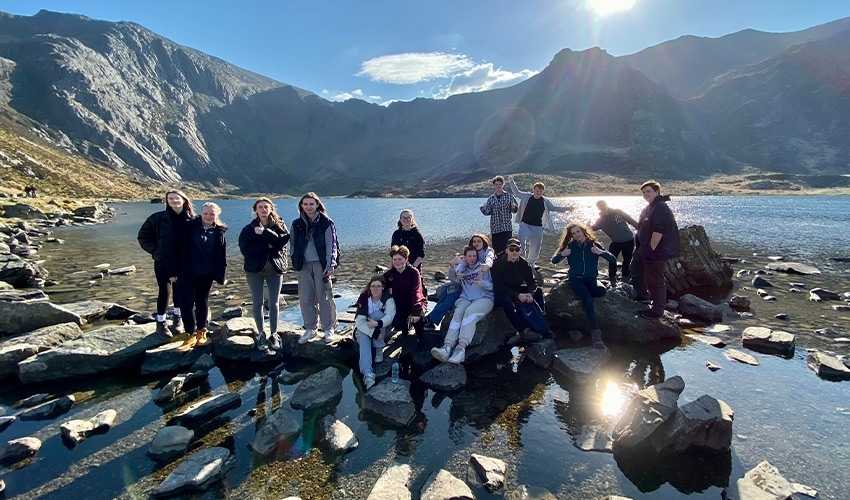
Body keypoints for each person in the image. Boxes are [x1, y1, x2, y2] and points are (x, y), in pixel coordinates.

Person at [137, 189, 194, 337]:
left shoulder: (192, 219)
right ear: (167, 201)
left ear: (184, 200)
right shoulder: (157, 218)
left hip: (183, 263)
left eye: (177, 198)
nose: (174, 201)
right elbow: (143, 236)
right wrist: (156, 251)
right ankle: (161, 323)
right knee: (165, 291)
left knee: (179, 291)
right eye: (171, 199)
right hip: (163, 262)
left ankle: (177, 318)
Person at [172, 202, 227, 352]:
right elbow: (175, 249)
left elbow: (221, 257)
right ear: (201, 214)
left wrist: (221, 276)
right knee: (186, 303)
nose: (208, 216)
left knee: (202, 301)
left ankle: (202, 331)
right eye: (206, 214)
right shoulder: (188, 227)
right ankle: (190, 334)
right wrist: (172, 272)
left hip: (206, 273)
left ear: (217, 215)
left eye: (212, 214)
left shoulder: (219, 232)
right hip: (186, 272)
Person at [552, 222, 616, 348]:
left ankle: (584, 295)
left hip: (591, 279)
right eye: (573, 233)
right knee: (587, 299)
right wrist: (562, 254)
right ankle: (596, 335)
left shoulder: (594, 245)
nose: (576, 235)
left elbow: (613, 259)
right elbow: (554, 260)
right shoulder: (570, 247)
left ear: (583, 231)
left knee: (602, 291)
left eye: (578, 232)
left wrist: (600, 252)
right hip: (576, 279)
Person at [239, 197, 290, 354]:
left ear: (271, 209)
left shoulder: (279, 225)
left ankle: (274, 333)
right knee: (257, 303)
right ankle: (261, 333)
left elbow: (284, 240)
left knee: (274, 303)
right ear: (255, 210)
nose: (263, 209)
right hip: (255, 271)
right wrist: (268, 246)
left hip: (275, 269)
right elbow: (246, 250)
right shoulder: (248, 229)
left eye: (266, 207)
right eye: (260, 207)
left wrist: (266, 233)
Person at [431, 246, 494, 364]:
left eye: (474, 256)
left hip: (484, 298)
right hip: (466, 298)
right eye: (469, 256)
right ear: (465, 257)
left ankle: (461, 349)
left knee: (469, 312)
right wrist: (452, 265)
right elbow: (453, 279)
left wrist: (483, 284)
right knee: (458, 313)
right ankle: (447, 347)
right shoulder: (462, 269)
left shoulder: (483, 268)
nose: (472, 258)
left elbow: (491, 286)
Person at [292, 192, 339, 344]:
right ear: (301, 206)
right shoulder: (297, 224)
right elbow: (292, 244)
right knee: (306, 298)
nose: (308, 207)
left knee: (326, 296)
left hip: (322, 265)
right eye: (305, 204)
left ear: (317, 205)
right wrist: (294, 259)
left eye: (311, 204)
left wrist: (330, 264)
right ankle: (310, 327)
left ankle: (328, 328)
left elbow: (331, 245)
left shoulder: (326, 222)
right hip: (304, 265)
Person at [421, 233, 494, 330]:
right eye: (474, 241)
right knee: (448, 290)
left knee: (453, 294)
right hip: (466, 283)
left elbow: (489, 259)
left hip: (479, 286)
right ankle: (431, 319)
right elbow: (462, 264)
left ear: (484, 242)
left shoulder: (487, 251)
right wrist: (456, 270)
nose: (476, 243)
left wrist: (487, 265)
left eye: (479, 241)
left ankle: (430, 319)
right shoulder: (469, 253)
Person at [631, 180, 680, 319]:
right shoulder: (649, 207)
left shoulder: (660, 207)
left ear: (657, 192)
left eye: (648, 191)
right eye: (643, 192)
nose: (645, 194)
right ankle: (643, 296)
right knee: (635, 270)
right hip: (643, 248)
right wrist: (640, 247)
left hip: (655, 251)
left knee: (655, 280)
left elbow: (659, 230)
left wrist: (651, 249)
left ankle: (657, 311)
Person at [506, 175, 573, 268]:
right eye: (537, 190)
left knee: (536, 245)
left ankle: (531, 263)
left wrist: (568, 208)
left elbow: (554, 208)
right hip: (525, 224)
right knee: (521, 240)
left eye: (541, 191)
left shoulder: (545, 201)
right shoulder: (526, 196)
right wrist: (511, 182)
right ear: (533, 190)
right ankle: (521, 260)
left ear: (543, 192)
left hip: (537, 226)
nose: (539, 192)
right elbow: (516, 192)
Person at [492, 237, 550, 338]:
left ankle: (543, 322)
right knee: (506, 300)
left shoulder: (523, 263)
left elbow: (532, 282)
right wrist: (518, 295)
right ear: (506, 250)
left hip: (516, 288)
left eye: (517, 249)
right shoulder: (497, 263)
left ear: (521, 251)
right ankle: (522, 330)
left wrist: (530, 294)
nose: (514, 252)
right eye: (511, 249)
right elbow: (498, 286)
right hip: (500, 292)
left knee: (539, 292)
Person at [354, 276, 396, 390]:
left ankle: (378, 349)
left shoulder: (388, 298)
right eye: (373, 286)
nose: (375, 289)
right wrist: (373, 333)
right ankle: (367, 374)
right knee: (363, 337)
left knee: (378, 315)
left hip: (381, 329)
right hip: (364, 329)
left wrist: (378, 324)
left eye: (378, 286)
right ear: (369, 287)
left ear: (383, 287)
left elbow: (390, 316)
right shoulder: (364, 298)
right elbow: (359, 321)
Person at [382, 245, 427, 348]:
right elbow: (378, 285)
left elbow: (417, 293)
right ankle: (405, 329)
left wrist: (415, 312)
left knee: (418, 318)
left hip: (417, 303)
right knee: (396, 322)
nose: (397, 262)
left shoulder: (414, 272)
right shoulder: (390, 274)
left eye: (400, 259)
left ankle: (421, 341)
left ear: (406, 259)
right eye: (395, 260)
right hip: (400, 304)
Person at [591, 200, 638, 284]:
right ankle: (612, 278)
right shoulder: (600, 220)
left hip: (629, 240)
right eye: (600, 206)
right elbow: (591, 229)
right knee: (612, 260)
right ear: (598, 208)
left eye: (603, 204)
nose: (602, 207)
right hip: (616, 242)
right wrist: (586, 226)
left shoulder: (618, 212)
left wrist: (641, 229)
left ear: (606, 204)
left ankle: (625, 277)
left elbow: (631, 220)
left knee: (627, 260)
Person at [391, 209, 426, 293]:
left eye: (408, 218)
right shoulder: (396, 234)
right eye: (403, 217)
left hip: (413, 267)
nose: (406, 220)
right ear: (400, 219)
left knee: (416, 291)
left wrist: (412, 268)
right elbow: (392, 254)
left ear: (412, 219)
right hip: (398, 267)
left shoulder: (417, 235)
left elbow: (421, 255)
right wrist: (391, 268)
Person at [480, 175, 517, 254]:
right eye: (496, 184)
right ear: (494, 186)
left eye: (500, 184)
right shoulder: (491, 198)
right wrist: (484, 209)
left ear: (503, 185)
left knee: (507, 248)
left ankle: (507, 264)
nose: (498, 186)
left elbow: (515, 210)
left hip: (506, 227)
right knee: (496, 249)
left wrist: (513, 207)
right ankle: (497, 265)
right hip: (495, 227)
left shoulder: (509, 196)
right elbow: (488, 212)